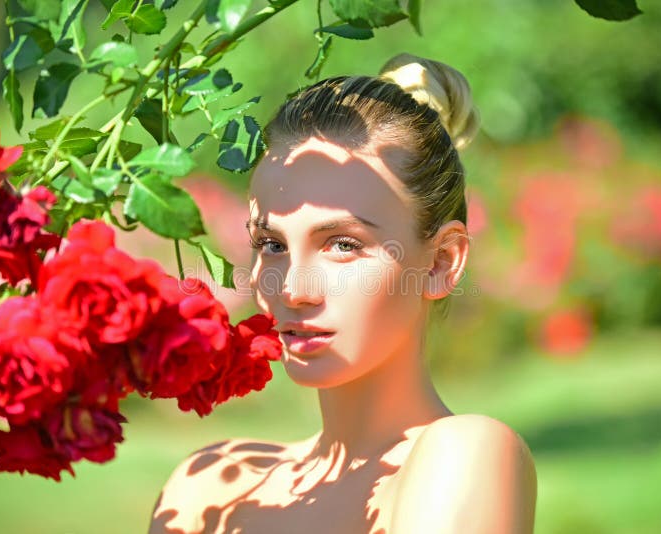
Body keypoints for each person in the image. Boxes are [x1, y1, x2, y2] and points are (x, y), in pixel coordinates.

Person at [148, 53, 537, 534]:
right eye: (271, 244)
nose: (291, 287)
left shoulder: (462, 456)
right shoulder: (209, 484)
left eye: (343, 244)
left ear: (440, 262)